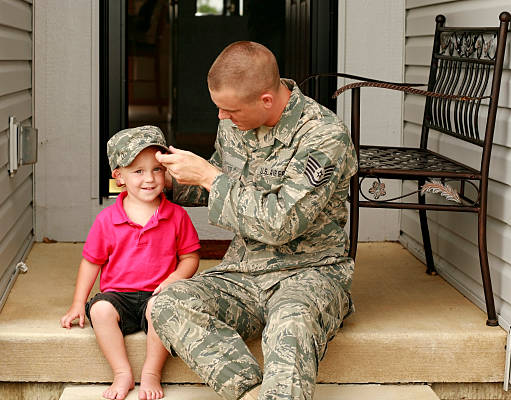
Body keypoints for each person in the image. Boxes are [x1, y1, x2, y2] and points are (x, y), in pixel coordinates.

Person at [152, 41, 358, 400]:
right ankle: (249, 393)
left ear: (265, 99)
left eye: (229, 110)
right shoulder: (234, 125)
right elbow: (222, 186)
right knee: (168, 302)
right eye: (218, 108)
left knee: (290, 324)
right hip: (243, 275)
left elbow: (280, 222)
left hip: (308, 273)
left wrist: (208, 177)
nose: (221, 118)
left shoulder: (324, 136)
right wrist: (166, 181)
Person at [60, 126, 201, 400]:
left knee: (162, 311)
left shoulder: (176, 216)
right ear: (119, 176)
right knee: (100, 310)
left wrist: (174, 279)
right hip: (119, 297)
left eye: (157, 169)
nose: (149, 179)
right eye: (138, 171)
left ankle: (151, 373)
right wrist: (78, 303)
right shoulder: (107, 220)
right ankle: (122, 372)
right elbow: (91, 262)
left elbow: (190, 257)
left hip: (159, 294)